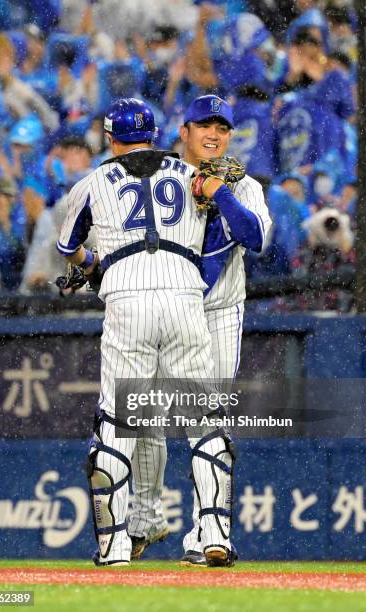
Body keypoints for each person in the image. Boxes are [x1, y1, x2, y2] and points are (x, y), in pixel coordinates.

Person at [56, 97, 239, 567]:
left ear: (110, 138)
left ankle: (115, 546)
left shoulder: (94, 180)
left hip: (126, 299)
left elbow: (68, 247)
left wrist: (93, 265)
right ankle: (214, 532)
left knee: (118, 428)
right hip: (184, 294)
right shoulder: (189, 174)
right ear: (156, 136)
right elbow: (220, 211)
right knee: (204, 420)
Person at [128, 95, 272, 565]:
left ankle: (211, 535)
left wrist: (219, 193)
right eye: (204, 125)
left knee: (204, 419)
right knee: (142, 418)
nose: (214, 134)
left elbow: (256, 239)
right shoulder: (159, 179)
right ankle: (144, 521)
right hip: (163, 310)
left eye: (223, 127)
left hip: (216, 314)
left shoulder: (245, 185)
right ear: (183, 132)